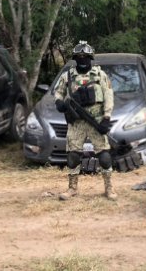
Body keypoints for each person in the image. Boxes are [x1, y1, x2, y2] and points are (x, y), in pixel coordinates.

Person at [53, 41, 116, 200]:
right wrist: (59, 103)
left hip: (96, 119)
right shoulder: (68, 76)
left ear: (90, 58)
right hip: (76, 122)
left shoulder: (100, 75)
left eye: (85, 57)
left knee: (104, 156)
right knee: (73, 156)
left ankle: (109, 188)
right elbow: (58, 93)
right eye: (79, 57)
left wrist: (107, 118)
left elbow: (108, 96)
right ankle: (72, 188)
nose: (82, 60)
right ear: (75, 58)